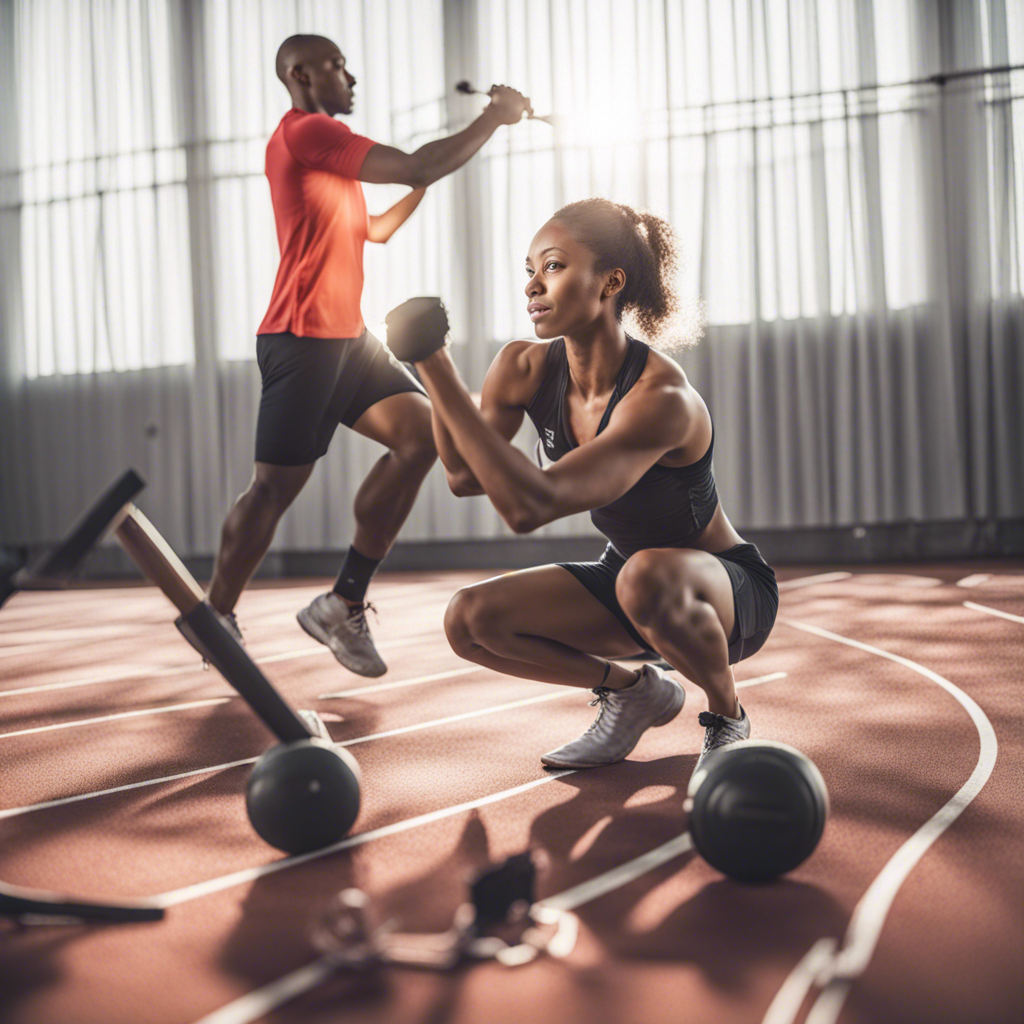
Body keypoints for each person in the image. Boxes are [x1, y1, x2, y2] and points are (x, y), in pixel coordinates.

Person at [406, 198, 779, 770]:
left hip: (724, 592)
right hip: (626, 580)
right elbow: (462, 476)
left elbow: (531, 506)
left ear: (611, 282)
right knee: (470, 621)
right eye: (528, 270)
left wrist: (435, 363)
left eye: (552, 266)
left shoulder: (661, 399)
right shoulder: (524, 368)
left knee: (647, 574)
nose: (533, 285)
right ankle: (634, 693)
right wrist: (429, 369)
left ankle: (728, 716)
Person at [206, 34, 533, 677]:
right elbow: (413, 164)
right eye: (337, 67)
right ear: (301, 74)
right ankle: (215, 613)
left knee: (420, 440)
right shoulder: (305, 133)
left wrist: (428, 176)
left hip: (349, 341)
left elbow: (376, 228)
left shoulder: (329, 163)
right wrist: (490, 120)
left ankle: (343, 601)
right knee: (273, 489)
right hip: (301, 337)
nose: (351, 77)